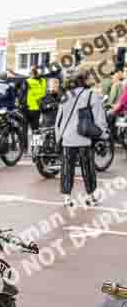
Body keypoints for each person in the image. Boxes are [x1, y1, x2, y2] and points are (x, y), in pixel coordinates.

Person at [58, 70, 108, 207]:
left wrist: (59, 137)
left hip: (67, 138)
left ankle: (67, 198)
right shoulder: (92, 95)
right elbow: (99, 118)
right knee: (88, 167)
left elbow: (59, 120)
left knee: (67, 168)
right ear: (85, 81)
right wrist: (104, 135)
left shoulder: (66, 96)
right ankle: (90, 197)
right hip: (84, 139)